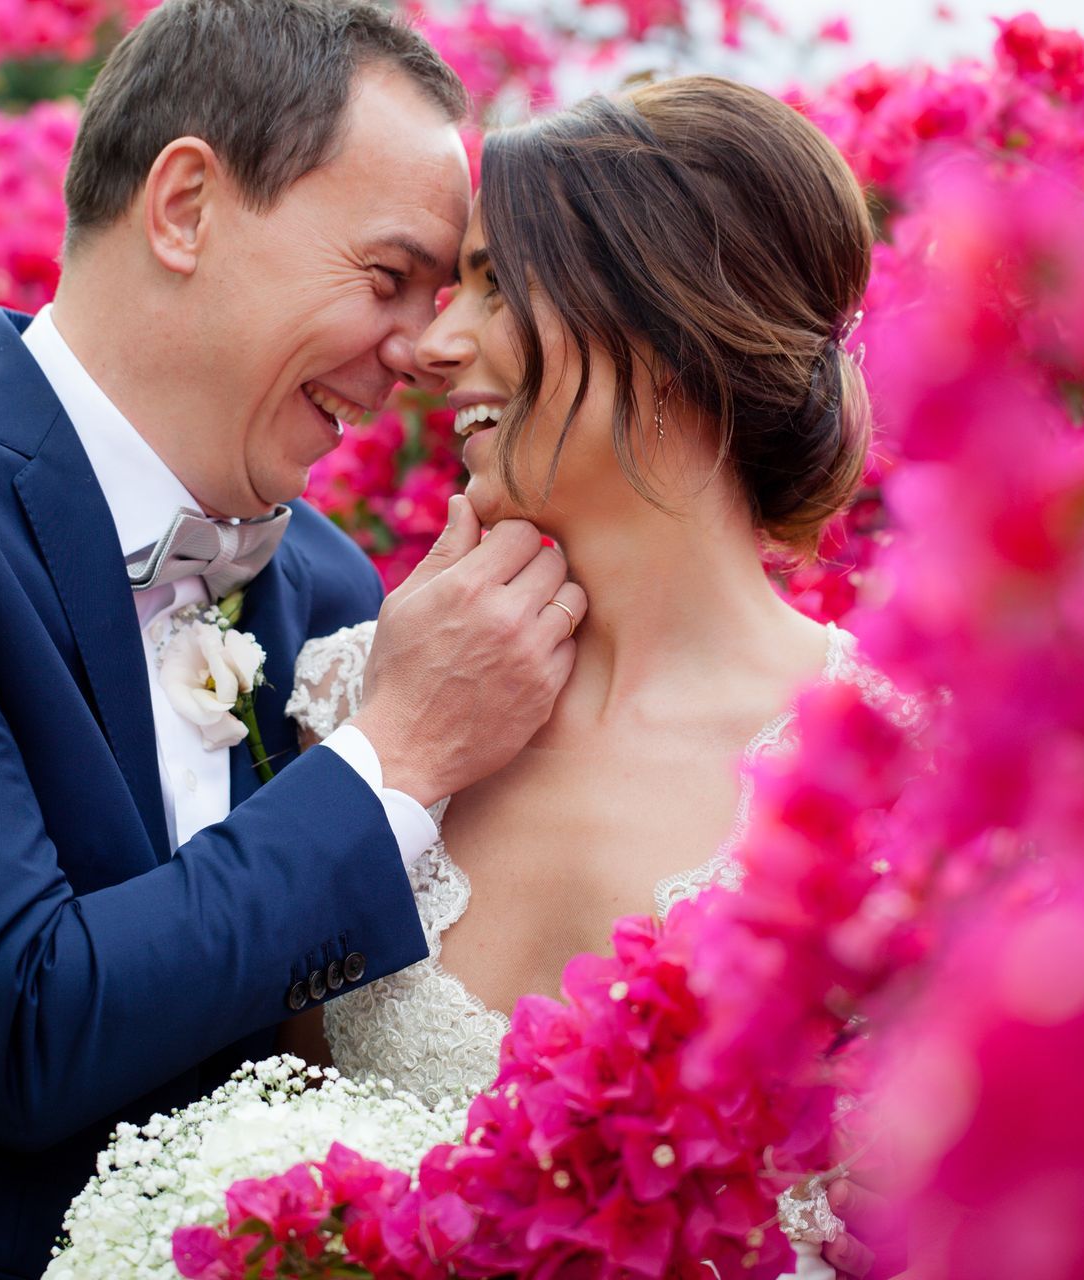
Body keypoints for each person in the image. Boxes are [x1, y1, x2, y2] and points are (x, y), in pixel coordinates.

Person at [0, 3, 586, 1277]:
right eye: (386, 277)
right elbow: (23, 1023)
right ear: (185, 205)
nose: (422, 350)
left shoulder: (322, 581)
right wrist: (400, 747)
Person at [284, 75, 913, 1277]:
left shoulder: (908, 769)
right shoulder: (345, 706)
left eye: (496, 286)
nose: (432, 344)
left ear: (671, 336)